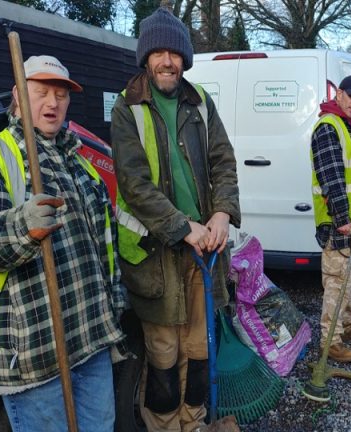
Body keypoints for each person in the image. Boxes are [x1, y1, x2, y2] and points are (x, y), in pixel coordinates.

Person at [0, 55, 126, 430]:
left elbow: (104, 243)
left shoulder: (77, 160)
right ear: (18, 95)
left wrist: (114, 302)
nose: (53, 103)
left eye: (61, 95)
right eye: (41, 92)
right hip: (33, 352)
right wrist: (22, 226)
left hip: (90, 339)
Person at [110, 7, 240, 432]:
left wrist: (221, 213)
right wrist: (184, 227)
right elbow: (134, 185)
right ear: (145, 58)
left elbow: (223, 162)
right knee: (165, 352)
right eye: (158, 53)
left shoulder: (201, 102)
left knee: (200, 346)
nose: (167, 61)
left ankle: (194, 420)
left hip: (205, 248)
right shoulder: (128, 108)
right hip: (156, 254)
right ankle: (165, 424)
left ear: (185, 58)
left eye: (175, 53)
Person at [310, 75, 351, 363]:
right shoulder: (328, 128)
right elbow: (332, 180)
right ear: (338, 94)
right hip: (338, 223)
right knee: (337, 283)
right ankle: (330, 340)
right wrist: (341, 217)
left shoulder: (349, 126)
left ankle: (347, 325)